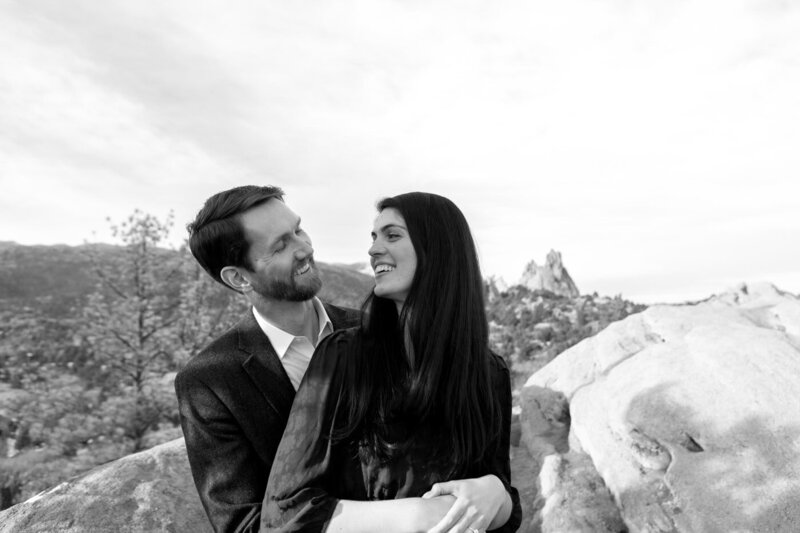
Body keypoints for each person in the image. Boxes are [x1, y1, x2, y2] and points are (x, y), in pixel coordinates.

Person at [261, 192, 522, 533]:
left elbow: (504, 510)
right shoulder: (342, 357)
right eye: (374, 237)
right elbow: (282, 515)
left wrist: (495, 493)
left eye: (392, 235)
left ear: (438, 250)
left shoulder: (488, 373)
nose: (373, 249)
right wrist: (420, 515)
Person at [175, 185, 360, 533]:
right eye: (280, 246)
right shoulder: (209, 383)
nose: (305, 248)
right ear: (239, 277)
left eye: (298, 230)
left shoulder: (376, 329)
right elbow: (243, 523)